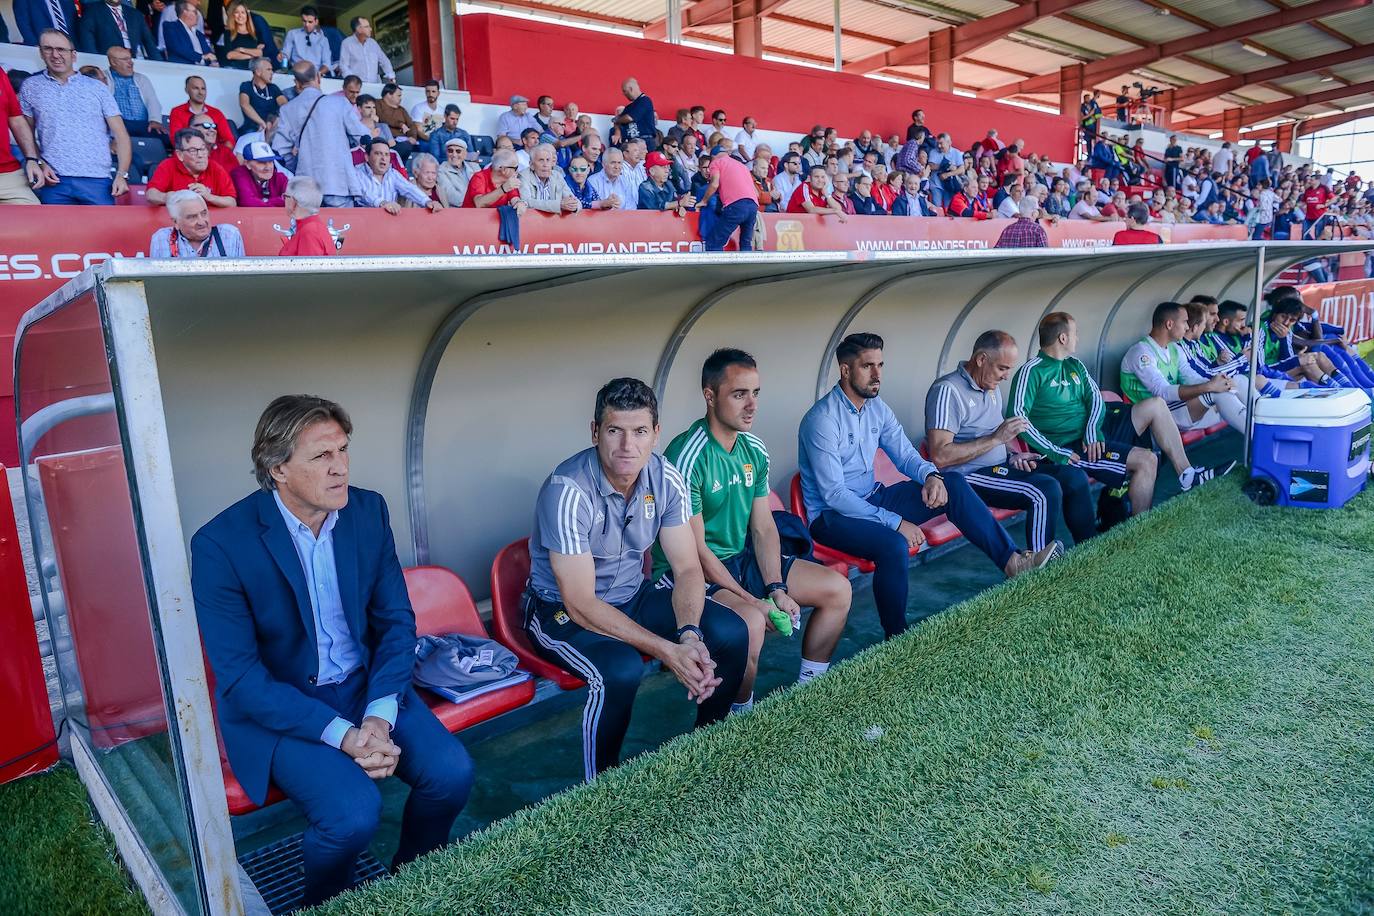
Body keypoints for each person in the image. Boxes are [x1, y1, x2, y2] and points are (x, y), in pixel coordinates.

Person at [192, 395, 473, 908]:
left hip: (365, 687)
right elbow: (240, 678)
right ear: (277, 468)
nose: (340, 467)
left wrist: (380, 716)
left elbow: (395, 622)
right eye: (322, 456)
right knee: (352, 816)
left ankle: (408, 887)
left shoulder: (367, 510)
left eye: (343, 450)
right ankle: (325, 905)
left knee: (451, 774)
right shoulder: (220, 545)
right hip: (281, 709)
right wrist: (345, 736)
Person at [524, 378, 748, 780]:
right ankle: (599, 791)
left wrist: (690, 635)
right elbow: (580, 603)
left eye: (640, 432)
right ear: (595, 432)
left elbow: (687, 568)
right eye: (615, 431)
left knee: (730, 630)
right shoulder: (567, 490)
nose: (628, 446)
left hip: (632, 594)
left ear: (655, 434)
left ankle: (707, 754)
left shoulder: (665, 477)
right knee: (622, 669)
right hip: (560, 612)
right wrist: (667, 650)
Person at [800, 334, 1059, 639]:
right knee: (893, 544)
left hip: (873, 498)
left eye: (880, 365)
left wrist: (930, 476)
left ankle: (1013, 561)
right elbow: (834, 495)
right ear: (845, 370)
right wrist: (896, 522)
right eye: (867, 366)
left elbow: (905, 454)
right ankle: (896, 638)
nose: (877, 374)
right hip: (832, 517)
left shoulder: (877, 408)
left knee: (954, 483)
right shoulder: (822, 419)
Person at [654, 350, 851, 713]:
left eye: (756, 393)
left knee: (837, 589)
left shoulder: (754, 449)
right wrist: (753, 600)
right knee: (751, 624)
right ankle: (740, 712)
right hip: (692, 572)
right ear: (710, 396)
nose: (751, 405)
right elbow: (695, 553)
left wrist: (775, 588)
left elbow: (762, 527)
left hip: (740, 558)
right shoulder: (688, 454)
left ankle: (810, 690)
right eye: (739, 394)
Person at [1009, 312, 1230, 517]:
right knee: (1148, 460)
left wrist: (1092, 430)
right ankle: (1139, 528)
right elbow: (1018, 417)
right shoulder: (1031, 371)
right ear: (1063, 339)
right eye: (1075, 333)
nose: (1078, 337)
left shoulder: (1074, 365)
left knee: (1156, 405)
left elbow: (1095, 398)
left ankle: (1187, 475)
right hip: (1071, 444)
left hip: (1096, 430)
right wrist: (1055, 451)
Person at [927, 331, 1096, 550]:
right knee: (1044, 490)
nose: (1006, 376)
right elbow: (940, 456)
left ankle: (1090, 550)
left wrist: (1013, 455)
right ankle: (1038, 568)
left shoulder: (990, 387)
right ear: (981, 360)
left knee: (1073, 476)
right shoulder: (947, 391)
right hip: (967, 478)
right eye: (1002, 368)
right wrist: (996, 438)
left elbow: (995, 437)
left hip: (1000, 468)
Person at [20, 30, 132, 205]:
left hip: (97, 180)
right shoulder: (31, 87)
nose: (55, 55)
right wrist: (39, 163)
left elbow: (121, 135)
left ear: (73, 55)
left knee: (101, 232)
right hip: (54, 181)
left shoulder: (97, 88)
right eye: (48, 49)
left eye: (61, 49)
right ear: (41, 52)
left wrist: (121, 174)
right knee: (56, 233)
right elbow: (25, 133)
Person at [1120, 301, 1250, 441]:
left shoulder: (1174, 349)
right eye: (1184, 322)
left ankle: (1264, 424)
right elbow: (1162, 392)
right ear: (1169, 324)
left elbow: (1191, 378)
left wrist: (1219, 383)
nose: (1187, 327)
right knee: (1216, 394)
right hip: (1151, 417)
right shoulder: (1141, 352)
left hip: (1176, 409)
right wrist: (1209, 386)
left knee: (1238, 381)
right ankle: (1261, 437)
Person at [274, 62, 368, 207]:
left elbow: (280, 151)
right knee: (341, 228)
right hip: (338, 183)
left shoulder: (287, 110)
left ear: (297, 83)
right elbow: (362, 137)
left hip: (305, 187)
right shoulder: (339, 103)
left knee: (310, 228)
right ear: (319, 77)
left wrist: (299, 166)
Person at [147, 127, 236, 207]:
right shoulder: (168, 166)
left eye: (202, 149)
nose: (200, 155)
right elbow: (151, 194)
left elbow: (231, 202)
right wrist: (168, 197)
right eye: (193, 150)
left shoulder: (215, 168)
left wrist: (209, 197)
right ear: (180, 155)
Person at [148, 189, 246, 257]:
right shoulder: (161, 239)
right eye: (192, 217)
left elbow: (240, 282)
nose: (201, 222)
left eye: (204, 213)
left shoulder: (229, 235)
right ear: (176, 222)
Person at [697, 145, 757, 251]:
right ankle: (748, 267)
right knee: (746, 242)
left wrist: (704, 201)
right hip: (753, 205)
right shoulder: (742, 166)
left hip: (736, 205)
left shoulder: (716, 162)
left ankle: (717, 268)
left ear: (713, 156)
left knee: (713, 243)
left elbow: (714, 184)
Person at [1, 63, 46, 205]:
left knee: (34, 219)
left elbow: (15, 118)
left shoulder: (1, 74)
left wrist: (32, 159)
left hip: (7, 173)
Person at [354, 137, 437, 213]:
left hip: (389, 222)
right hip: (364, 222)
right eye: (378, 153)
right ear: (367, 157)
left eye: (387, 154)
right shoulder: (357, 173)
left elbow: (409, 189)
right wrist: (382, 203)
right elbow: (364, 193)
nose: (383, 158)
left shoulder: (393, 174)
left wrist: (427, 201)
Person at [105, 46, 164, 141]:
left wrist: (155, 120)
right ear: (113, 62)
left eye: (130, 58)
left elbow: (152, 101)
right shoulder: (104, 77)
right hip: (119, 125)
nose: (131, 62)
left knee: (165, 138)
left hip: (143, 125)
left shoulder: (142, 79)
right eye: (125, 59)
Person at [79, 0, 159, 59]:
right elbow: (87, 42)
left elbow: (149, 43)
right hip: (108, 61)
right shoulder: (92, 11)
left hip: (135, 59)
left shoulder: (135, 14)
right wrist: (95, 63)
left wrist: (160, 65)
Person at [278, 175, 335, 256]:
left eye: (286, 196)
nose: (284, 200)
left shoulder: (309, 231)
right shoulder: (312, 228)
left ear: (294, 201)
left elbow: (309, 267)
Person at [520, 143, 579, 214]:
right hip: (533, 222)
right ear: (531, 165)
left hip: (555, 223)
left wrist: (573, 206)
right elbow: (526, 201)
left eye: (548, 160)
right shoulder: (524, 176)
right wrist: (558, 205)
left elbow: (573, 199)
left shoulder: (557, 176)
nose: (545, 164)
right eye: (541, 160)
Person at [169, 74, 233, 139]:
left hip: (214, 149)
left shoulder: (216, 113)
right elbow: (176, 140)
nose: (200, 92)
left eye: (203, 89)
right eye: (196, 88)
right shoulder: (177, 112)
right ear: (186, 90)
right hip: (189, 149)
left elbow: (229, 140)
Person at [231, 139, 287, 207]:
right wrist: (278, 201)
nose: (268, 167)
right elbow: (248, 202)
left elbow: (291, 200)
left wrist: (264, 202)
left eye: (270, 161)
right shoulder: (239, 175)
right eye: (261, 162)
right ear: (247, 164)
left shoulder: (280, 178)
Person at [238, 57, 286, 133]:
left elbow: (285, 105)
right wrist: (262, 123)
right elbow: (244, 105)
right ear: (258, 72)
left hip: (272, 127)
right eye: (268, 69)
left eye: (272, 69)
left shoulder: (273, 88)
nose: (272, 72)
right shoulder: (246, 86)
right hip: (252, 128)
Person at [282, 5, 333, 77]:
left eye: (310, 22)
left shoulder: (323, 40)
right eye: (304, 21)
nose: (306, 25)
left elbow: (327, 64)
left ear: (316, 21)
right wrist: (283, 63)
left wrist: (319, 73)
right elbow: (285, 55)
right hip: (295, 74)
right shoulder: (292, 34)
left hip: (315, 75)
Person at [338, 16, 393, 81]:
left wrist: (391, 77)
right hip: (358, 87)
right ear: (358, 29)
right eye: (367, 27)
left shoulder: (373, 43)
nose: (370, 29)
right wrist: (353, 82)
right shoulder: (347, 43)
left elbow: (384, 61)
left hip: (374, 85)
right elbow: (343, 66)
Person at [162, 0, 217, 66]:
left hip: (203, 70)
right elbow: (179, 48)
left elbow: (208, 53)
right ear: (185, 12)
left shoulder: (199, 34)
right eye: (195, 12)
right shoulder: (171, 27)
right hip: (181, 68)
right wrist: (201, 57)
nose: (198, 15)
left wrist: (212, 61)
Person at [216, 1, 265, 69]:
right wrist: (251, 56)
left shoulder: (256, 33)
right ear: (233, 15)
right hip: (234, 69)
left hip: (252, 71)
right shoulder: (228, 33)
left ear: (247, 14)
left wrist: (241, 49)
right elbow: (229, 55)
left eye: (243, 12)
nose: (240, 16)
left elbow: (259, 53)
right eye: (236, 12)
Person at [376, 83, 418, 158]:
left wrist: (413, 137)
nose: (400, 98)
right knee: (405, 147)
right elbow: (382, 118)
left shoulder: (401, 110)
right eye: (398, 96)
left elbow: (411, 125)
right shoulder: (378, 104)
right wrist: (400, 124)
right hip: (388, 140)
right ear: (389, 95)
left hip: (403, 139)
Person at [614, 77, 656, 150]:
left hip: (645, 142)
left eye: (624, 91)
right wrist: (617, 132)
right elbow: (618, 121)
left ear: (631, 89)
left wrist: (616, 120)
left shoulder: (645, 101)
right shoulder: (629, 107)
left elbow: (629, 118)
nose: (624, 94)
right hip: (631, 144)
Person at [436, 137, 476, 207]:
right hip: (457, 212)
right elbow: (454, 198)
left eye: (458, 151)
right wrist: (479, 201)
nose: (454, 155)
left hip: (478, 209)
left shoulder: (475, 167)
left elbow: (484, 192)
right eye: (450, 151)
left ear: (465, 154)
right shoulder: (441, 171)